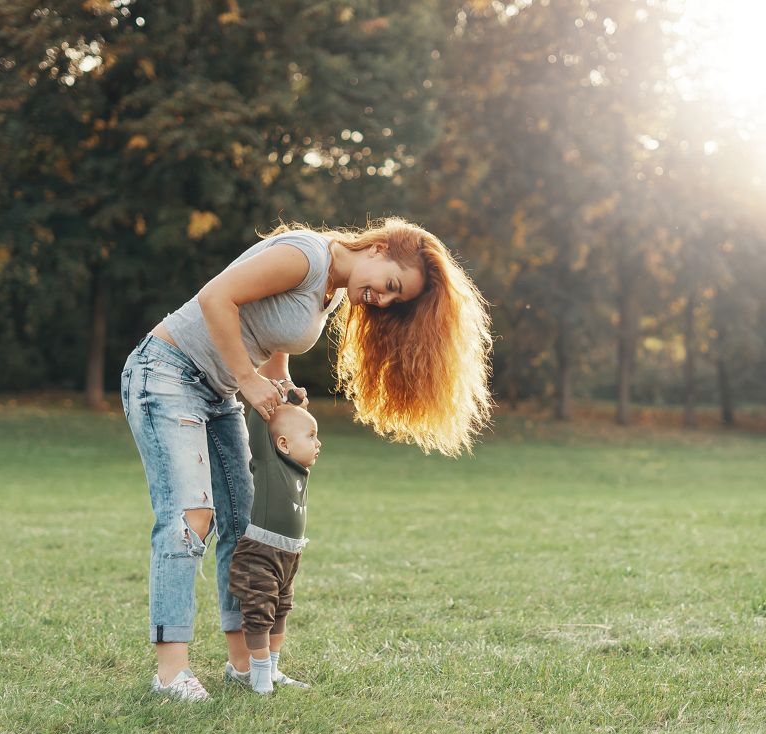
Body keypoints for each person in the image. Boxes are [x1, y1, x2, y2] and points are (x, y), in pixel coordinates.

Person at [120, 217, 492, 701]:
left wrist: (278, 382)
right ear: (378, 248)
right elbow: (216, 297)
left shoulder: (333, 289)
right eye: (392, 285)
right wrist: (248, 380)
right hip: (166, 373)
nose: (384, 298)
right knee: (192, 517)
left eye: (396, 300)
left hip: (217, 390)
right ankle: (171, 673)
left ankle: (244, 665)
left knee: (245, 526)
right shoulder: (306, 256)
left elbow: (270, 337)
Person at [225, 399, 318, 694]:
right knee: (259, 612)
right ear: (283, 443)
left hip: (289, 556)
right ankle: (260, 674)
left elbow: (289, 422)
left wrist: (294, 403)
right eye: (312, 435)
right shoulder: (268, 463)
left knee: (280, 610)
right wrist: (264, 402)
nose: (319, 442)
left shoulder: (298, 470)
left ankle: (273, 668)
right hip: (261, 554)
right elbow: (259, 428)